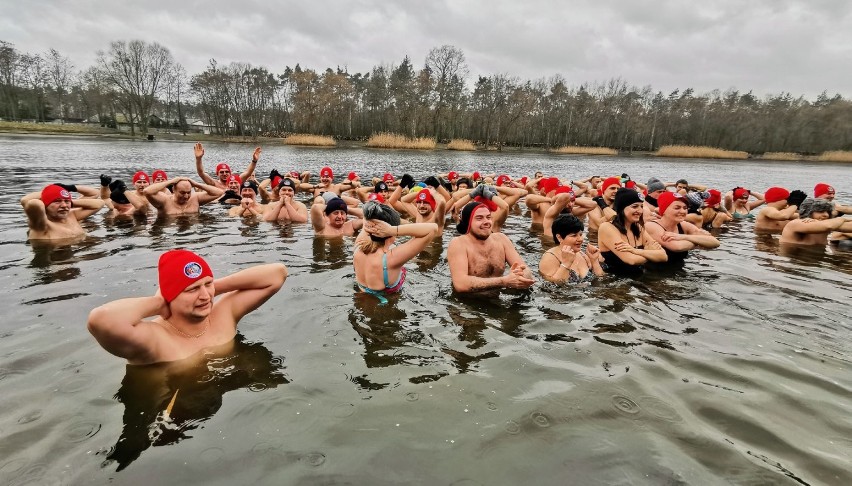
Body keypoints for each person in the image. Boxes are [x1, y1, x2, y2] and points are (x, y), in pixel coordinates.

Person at [87, 249, 287, 364]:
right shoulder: (154, 339)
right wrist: (158, 303)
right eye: (191, 290)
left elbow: (277, 274)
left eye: (208, 285)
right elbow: (101, 320)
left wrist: (213, 288)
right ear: (169, 296)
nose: (204, 296)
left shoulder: (223, 314)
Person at [353, 201, 438, 303]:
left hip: (361, 301)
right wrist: (393, 230)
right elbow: (433, 228)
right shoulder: (392, 258)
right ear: (390, 232)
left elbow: (366, 218)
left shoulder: (358, 246)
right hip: (386, 309)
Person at [447, 200, 535, 292]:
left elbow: (525, 269)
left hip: (498, 298)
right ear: (468, 222)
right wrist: (504, 281)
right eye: (479, 218)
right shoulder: (459, 243)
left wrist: (521, 275)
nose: (486, 222)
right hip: (467, 302)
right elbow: (461, 284)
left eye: (488, 217)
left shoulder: (501, 239)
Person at [597, 188, 667, 276]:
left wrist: (636, 251)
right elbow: (631, 260)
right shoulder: (607, 227)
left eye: (641, 206)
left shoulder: (638, 228)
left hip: (636, 278)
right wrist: (650, 252)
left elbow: (663, 256)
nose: (640, 211)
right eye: (635, 206)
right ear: (622, 208)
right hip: (614, 283)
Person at [645, 191, 720, 265]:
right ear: (664, 210)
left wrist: (682, 237)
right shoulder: (651, 226)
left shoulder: (683, 225)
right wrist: (698, 242)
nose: (683, 211)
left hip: (679, 271)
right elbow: (677, 247)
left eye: (685, 208)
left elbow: (715, 242)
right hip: (653, 274)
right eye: (677, 208)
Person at [21, 183, 104, 242]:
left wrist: (69, 202)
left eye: (67, 201)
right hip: (55, 263)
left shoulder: (72, 215)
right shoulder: (41, 225)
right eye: (57, 201)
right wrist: (50, 190)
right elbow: (31, 203)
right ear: (45, 205)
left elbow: (99, 204)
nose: (64, 205)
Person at [539, 214, 604, 283]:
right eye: (574, 235)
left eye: (581, 234)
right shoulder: (550, 258)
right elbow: (555, 286)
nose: (580, 239)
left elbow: (601, 280)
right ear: (559, 237)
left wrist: (594, 261)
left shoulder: (583, 255)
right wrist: (566, 264)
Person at [779, 198, 852, 245]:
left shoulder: (830, 223)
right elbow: (828, 226)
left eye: (828, 212)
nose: (826, 215)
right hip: (793, 266)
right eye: (821, 211)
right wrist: (842, 219)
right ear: (808, 212)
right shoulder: (796, 223)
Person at [194, 142, 260, 190]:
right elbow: (201, 173)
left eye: (227, 172)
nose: (225, 174)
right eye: (222, 172)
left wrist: (254, 161)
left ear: (230, 173)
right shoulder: (214, 184)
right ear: (217, 174)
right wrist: (198, 159)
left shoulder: (236, 182)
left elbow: (248, 172)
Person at [144, 177, 224, 216]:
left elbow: (219, 192)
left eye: (188, 192)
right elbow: (147, 191)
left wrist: (196, 184)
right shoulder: (165, 201)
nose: (186, 196)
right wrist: (170, 182)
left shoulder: (195, 198)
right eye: (182, 193)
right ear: (173, 190)